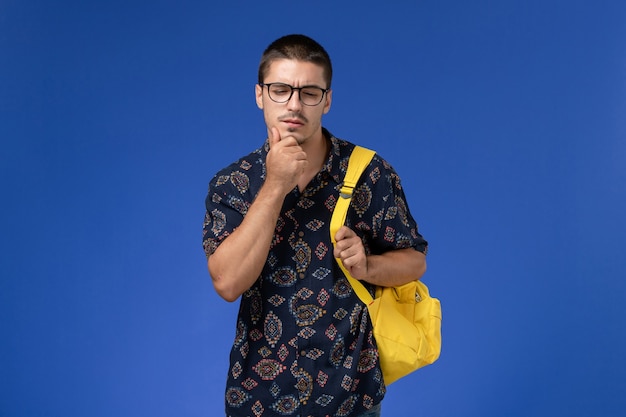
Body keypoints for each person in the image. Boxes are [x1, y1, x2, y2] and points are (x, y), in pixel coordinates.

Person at [202, 34, 428, 417]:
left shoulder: (369, 173)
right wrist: (275, 184)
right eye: (280, 90)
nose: (294, 104)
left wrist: (369, 266)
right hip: (259, 398)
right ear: (259, 95)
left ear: (327, 100)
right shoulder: (234, 182)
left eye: (309, 92)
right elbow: (227, 283)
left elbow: (414, 261)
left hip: (352, 398)